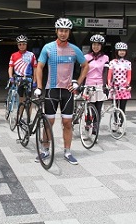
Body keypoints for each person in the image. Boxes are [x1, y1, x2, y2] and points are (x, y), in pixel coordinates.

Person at [34, 18, 89, 165]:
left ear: (69, 32)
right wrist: (39, 87)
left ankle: (67, 151)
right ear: (56, 31)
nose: (63, 33)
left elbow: (85, 66)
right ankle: (45, 150)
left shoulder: (74, 49)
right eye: (60, 30)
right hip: (51, 90)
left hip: (67, 92)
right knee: (49, 122)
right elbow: (39, 67)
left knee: (67, 123)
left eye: (66, 31)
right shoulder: (48, 48)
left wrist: (78, 82)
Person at [83, 34, 109, 132]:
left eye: (98, 45)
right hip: (89, 84)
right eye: (94, 44)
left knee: (98, 107)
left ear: (101, 46)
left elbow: (105, 72)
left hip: (100, 85)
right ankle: (88, 122)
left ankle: (95, 126)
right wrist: (81, 85)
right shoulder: (86, 57)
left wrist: (105, 85)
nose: (96, 47)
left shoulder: (105, 58)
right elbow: (82, 72)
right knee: (90, 107)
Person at [8, 35, 37, 102]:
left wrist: (35, 81)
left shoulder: (31, 55)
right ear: (17, 45)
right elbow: (10, 67)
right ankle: (20, 112)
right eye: (20, 44)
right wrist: (10, 76)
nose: (22, 46)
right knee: (21, 98)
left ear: (26, 45)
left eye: (24, 44)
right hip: (18, 79)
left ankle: (29, 113)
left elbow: (35, 68)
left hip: (28, 78)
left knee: (29, 99)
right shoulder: (13, 55)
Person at [107, 42, 132, 114]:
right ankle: (115, 121)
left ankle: (121, 123)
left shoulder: (128, 63)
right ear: (117, 51)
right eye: (120, 50)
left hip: (124, 87)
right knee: (115, 107)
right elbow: (109, 74)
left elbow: (129, 75)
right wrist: (109, 84)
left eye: (123, 50)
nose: (122, 52)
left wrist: (127, 84)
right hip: (115, 86)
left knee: (122, 107)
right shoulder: (112, 62)